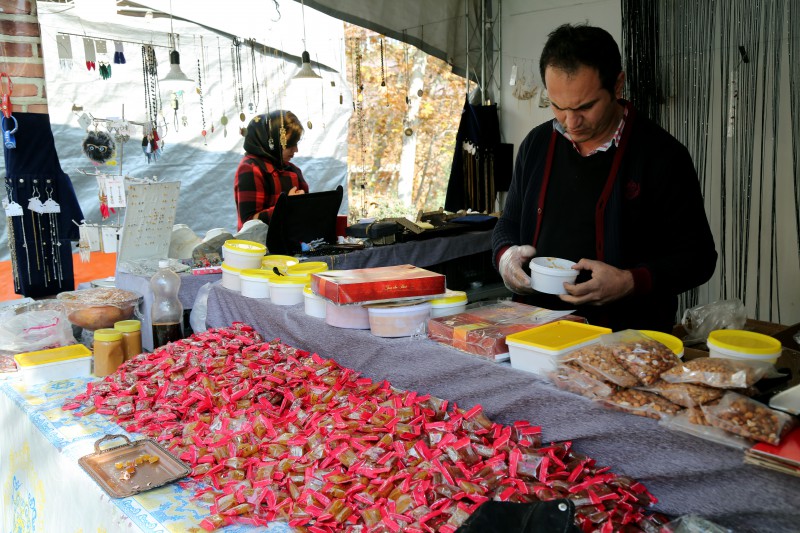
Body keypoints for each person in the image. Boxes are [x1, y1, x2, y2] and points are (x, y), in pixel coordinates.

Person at [492, 24, 717, 332]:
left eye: (585, 107)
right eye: (558, 106)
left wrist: (629, 282)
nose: (571, 122)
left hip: (626, 339)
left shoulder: (662, 154)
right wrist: (505, 256)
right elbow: (509, 223)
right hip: (535, 332)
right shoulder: (537, 144)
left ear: (618, 85)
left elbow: (699, 258)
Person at [234, 109, 308, 231]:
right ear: (271, 141)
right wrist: (287, 205)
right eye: (289, 144)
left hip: (289, 245)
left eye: (296, 143)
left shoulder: (293, 170)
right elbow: (249, 223)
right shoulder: (251, 169)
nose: (295, 150)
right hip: (259, 247)